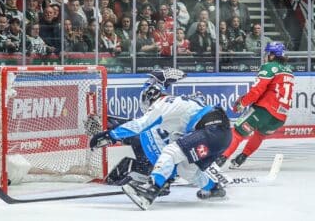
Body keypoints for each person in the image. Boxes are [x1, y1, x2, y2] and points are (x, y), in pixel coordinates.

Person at [90, 72, 232, 210]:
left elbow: (139, 125)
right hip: (221, 136)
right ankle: (214, 189)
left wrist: (110, 136)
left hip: (212, 129)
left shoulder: (162, 104)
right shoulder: (175, 107)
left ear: (149, 97)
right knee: (186, 169)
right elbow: (175, 140)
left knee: (170, 152)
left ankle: (150, 191)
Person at [216, 42, 294, 168]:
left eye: (267, 53)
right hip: (280, 117)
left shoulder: (270, 67)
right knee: (260, 135)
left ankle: (219, 161)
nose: (265, 56)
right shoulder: (289, 71)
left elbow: (257, 90)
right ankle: (240, 159)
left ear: (273, 55)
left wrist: (242, 102)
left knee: (237, 132)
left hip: (264, 111)